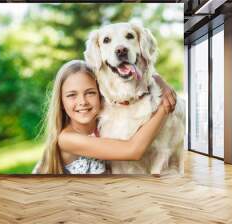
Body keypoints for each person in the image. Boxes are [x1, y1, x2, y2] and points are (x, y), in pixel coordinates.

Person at [33, 60, 176, 174]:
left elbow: (131, 84)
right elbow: (133, 150)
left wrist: (158, 80)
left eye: (90, 93)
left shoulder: (105, 123)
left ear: (101, 93)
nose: (82, 102)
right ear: (61, 102)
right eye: (72, 95)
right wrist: (164, 107)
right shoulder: (67, 139)